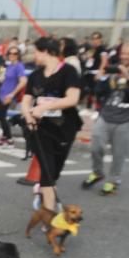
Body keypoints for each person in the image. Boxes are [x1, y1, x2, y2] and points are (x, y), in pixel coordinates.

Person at [22, 37, 82, 215]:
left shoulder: (68, 71)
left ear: (47, 51)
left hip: (65, 128)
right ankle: (49, 215)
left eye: (36, 52)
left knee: (54, 171)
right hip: (41, 129)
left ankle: (43, 191)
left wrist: (45, 106)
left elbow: (73, 99)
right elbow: (26, 100)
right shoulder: (35, 75)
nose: (34, 56)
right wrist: (28, 115)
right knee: (47, 171)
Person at [82, 45, 129, 196]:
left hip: (125, 120)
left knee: (119, 153)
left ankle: (113, 180)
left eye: (128, 54)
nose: (124, 56)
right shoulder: (115, 69)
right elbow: (100, 90)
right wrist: (102, 77)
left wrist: (127, 76)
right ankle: (98, 172)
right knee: (96, 146)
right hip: (106, 114)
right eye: (123, 53)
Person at [0, 46, 27, 147]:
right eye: (10, 53)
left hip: (8, 94)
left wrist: (12, 93)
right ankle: (5, 136)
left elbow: (23, 81)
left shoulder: (19, 66)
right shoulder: (10, 65)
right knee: (1, 116)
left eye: (15, 54)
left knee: (2, 116)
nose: (12, 55)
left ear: (18, 55)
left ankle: (9, 138)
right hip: (2, 93)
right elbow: (5, 77)